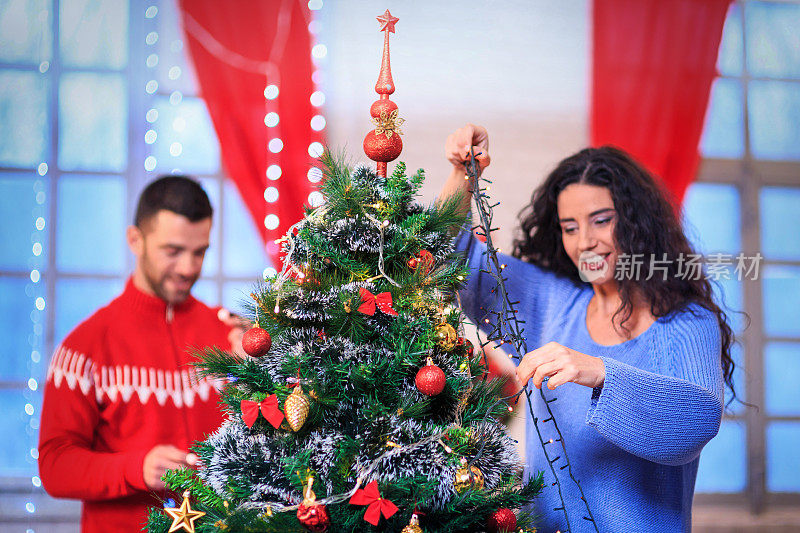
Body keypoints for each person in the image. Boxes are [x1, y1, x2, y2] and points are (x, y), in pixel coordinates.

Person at [441, 125, 734, 532]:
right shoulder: (551, 304)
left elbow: (696, 421)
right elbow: (450, 255)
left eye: (600, 221)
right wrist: (462, 175)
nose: (585, 242)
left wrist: (596, 371)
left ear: (637, 223)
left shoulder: (686, 322)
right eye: (570, 227)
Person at [38, 176, 244, 532]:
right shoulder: (83, 347)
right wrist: (137, 469)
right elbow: (55, 467)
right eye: (173, 251)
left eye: (200, 252)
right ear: (136, 240)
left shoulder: (228, 335)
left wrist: (259, 366)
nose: (188, 268)